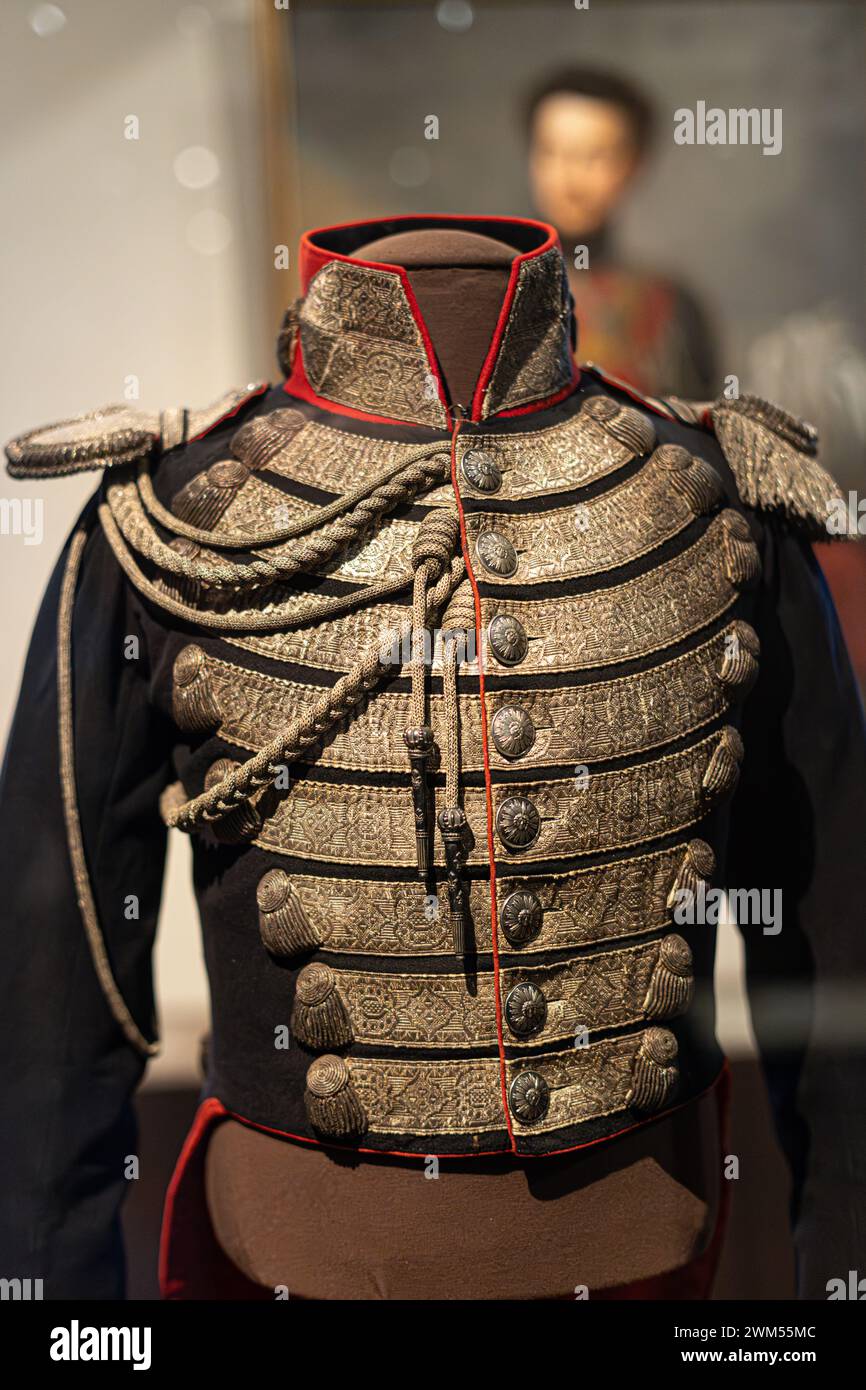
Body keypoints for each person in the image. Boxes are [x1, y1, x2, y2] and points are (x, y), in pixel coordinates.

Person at [526, 66, 717, 399]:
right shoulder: (492, 291)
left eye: (594, 157)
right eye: (551, 152)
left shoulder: (669, 307)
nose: (569, 179)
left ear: (635, 164)